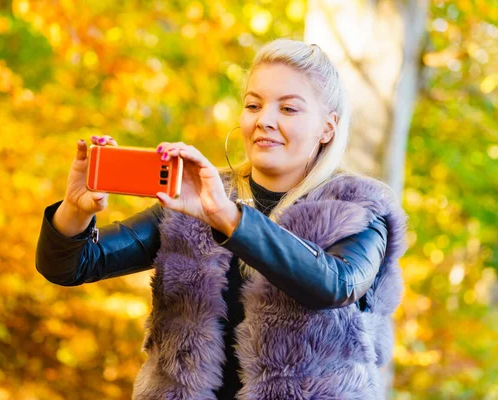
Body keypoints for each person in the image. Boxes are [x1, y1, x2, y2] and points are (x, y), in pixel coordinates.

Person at [35, 38, 407, 399]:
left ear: (328, 127)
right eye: (253, 105)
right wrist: (76, 208)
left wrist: (229, 218)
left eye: (288, 109)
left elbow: (335, 284)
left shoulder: (357, 206)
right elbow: (71, 267)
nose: (265, 120)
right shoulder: (198, 196)